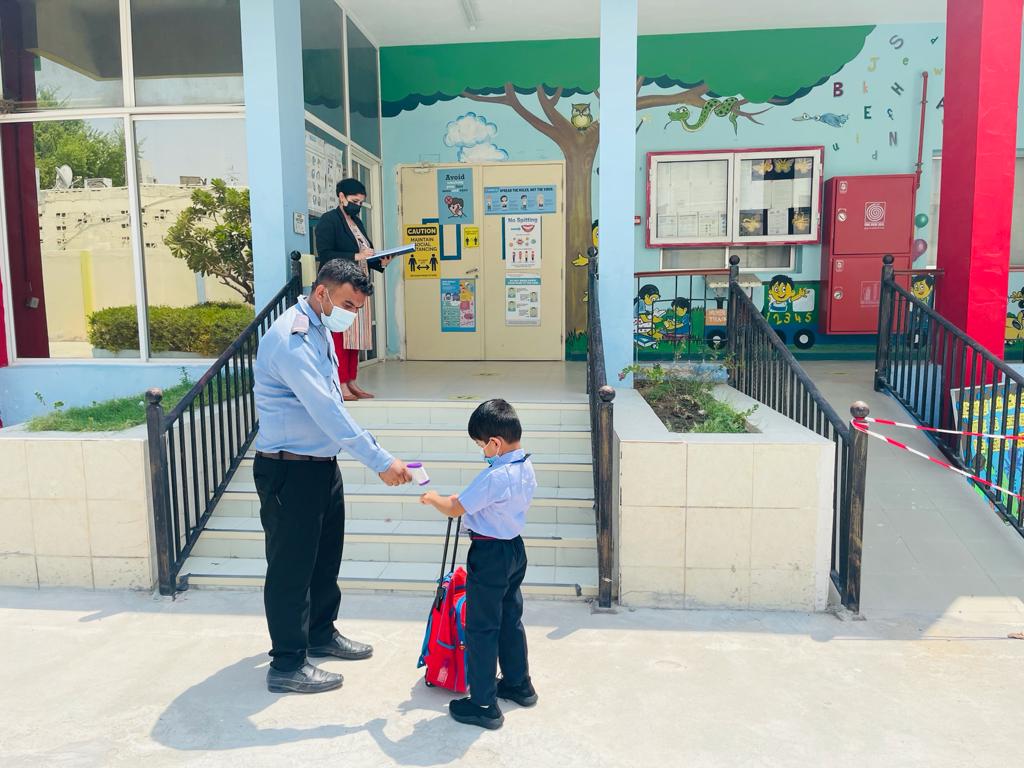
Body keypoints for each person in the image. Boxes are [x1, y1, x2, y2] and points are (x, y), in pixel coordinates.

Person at [252, 259, 412, 694]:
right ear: (321, 292)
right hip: (289, 470)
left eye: (357, 308)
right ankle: (287, 664)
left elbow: (333, 402)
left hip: (320, 465)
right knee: (290, 569)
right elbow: (326, 410)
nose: (352, 315)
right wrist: (380, 460)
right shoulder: (292, 338)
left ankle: (320, 633)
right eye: (347, 305)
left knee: (324, 559)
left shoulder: (319, 328)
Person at [419, 399, 538, 730]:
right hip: (514, 550)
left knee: (481, 627)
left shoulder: (495, 475)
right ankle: (519, 684)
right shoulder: (525, 466)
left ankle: (483, 703)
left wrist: (432, 498)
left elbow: (455, 507)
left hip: (489, 555)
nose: (482, 452)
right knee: (510, 618)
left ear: (495, 443)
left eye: (481, 445)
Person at [314, 178, 391, 401]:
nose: (358, 206)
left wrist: (380, 262)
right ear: (341, 197)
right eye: (355, 201)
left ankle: (351, 381)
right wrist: (357, 256)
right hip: (339, 288)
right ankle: (340, 383)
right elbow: (325, 254)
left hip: (358, 287)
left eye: (361, 202)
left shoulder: (357, 222)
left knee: (355, 337)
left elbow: (366, 254)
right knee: (340, 336)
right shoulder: (329, 220)